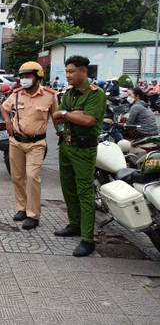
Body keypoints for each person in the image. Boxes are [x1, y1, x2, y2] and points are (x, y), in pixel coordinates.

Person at [52, 55, 107, 257]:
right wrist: (68, 115)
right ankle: (74, 224)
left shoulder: (95, 94)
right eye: (66, 71)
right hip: (66, 146)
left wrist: (66, 114)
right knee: (68, 188)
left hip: (84, 150)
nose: (68, 75)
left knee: (84, 191)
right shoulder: (69, 93)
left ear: (84, 71)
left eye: (71, 71)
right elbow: (56, 116)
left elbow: (88, 120)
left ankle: (87, 239)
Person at [0, 62, 58, 230]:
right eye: (22, 77)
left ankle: (33, 215)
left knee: (32, 177)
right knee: (16, 177)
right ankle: (22, 209)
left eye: (28, 76)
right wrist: (7, 121)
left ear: (37, 76)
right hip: (16, 142)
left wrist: (62, 133)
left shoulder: (50, 95)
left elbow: (56, 118)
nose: (24, 80)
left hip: (37, 143)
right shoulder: (17, 94)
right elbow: (4, 108)